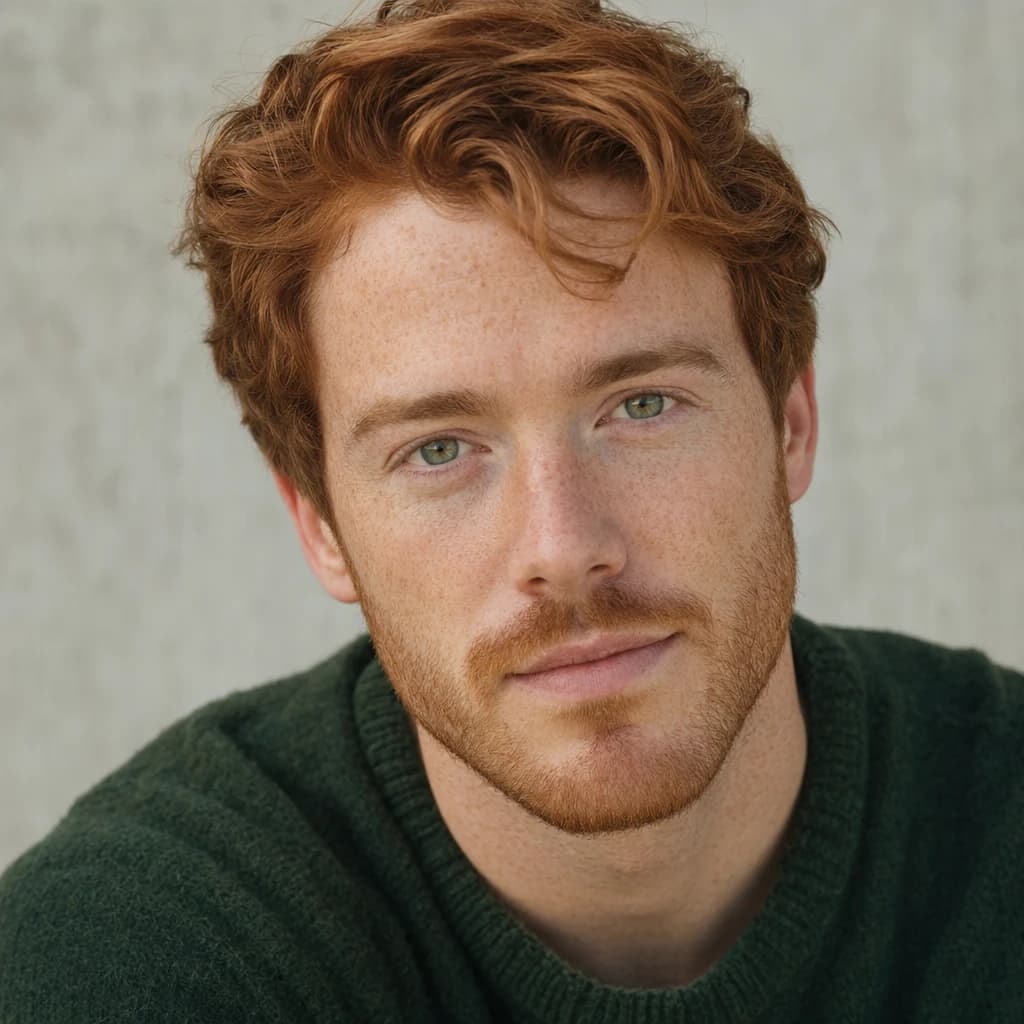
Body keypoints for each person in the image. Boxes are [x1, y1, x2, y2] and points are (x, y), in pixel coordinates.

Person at [1, 1, 1021, 1020]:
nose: (564, 547)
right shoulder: (136, 954)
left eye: (641, 405)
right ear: (319, 524)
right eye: (439, 449)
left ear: (789, 419)